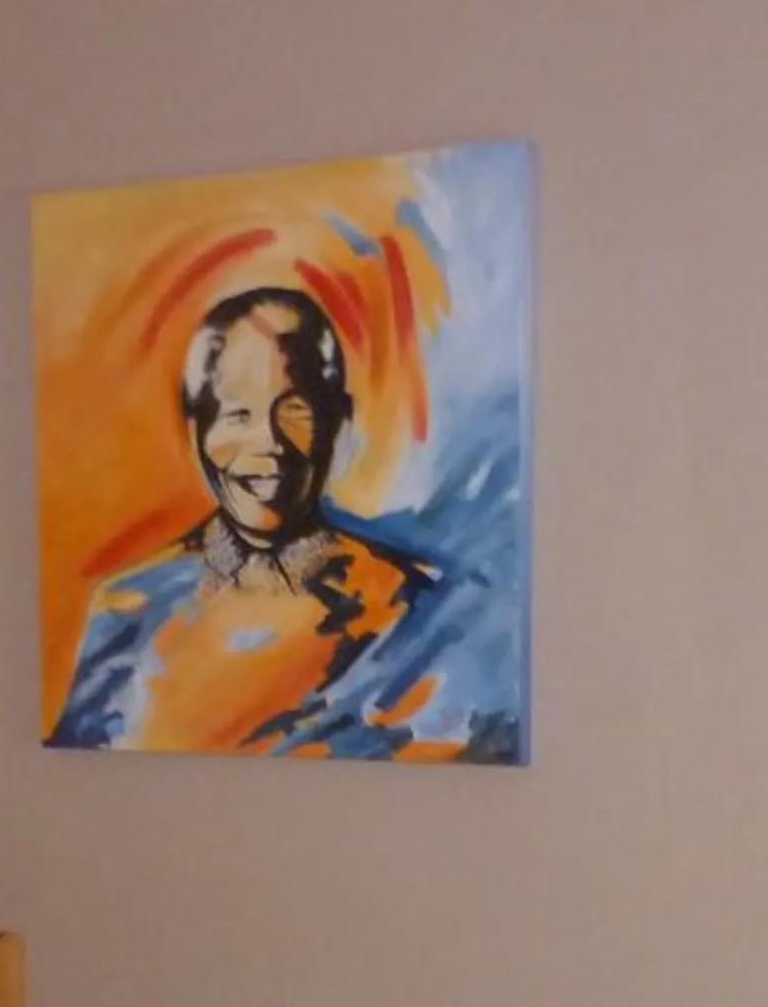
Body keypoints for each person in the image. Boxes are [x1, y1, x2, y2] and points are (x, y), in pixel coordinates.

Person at [49, 287, 514, 762]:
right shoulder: (127, 614)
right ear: (197, 431)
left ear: (339, 420)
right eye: (237, 414)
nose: (268, 442)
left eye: (295, 408)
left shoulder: (423, 613)